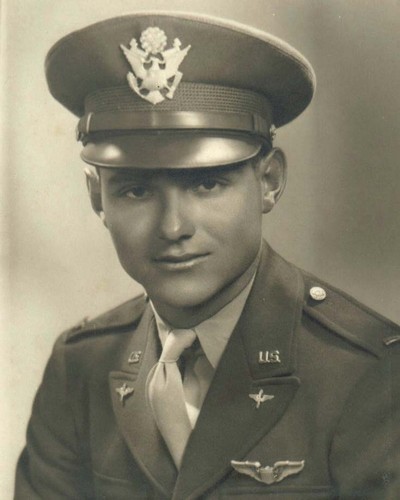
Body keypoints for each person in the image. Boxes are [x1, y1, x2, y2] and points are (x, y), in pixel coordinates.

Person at [15, 12, 399, 500]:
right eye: (136, 190)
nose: (173, 228)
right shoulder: (79, 368)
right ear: (97, 199)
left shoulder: (368, 373)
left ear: (269, 181)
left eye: (207, 183)